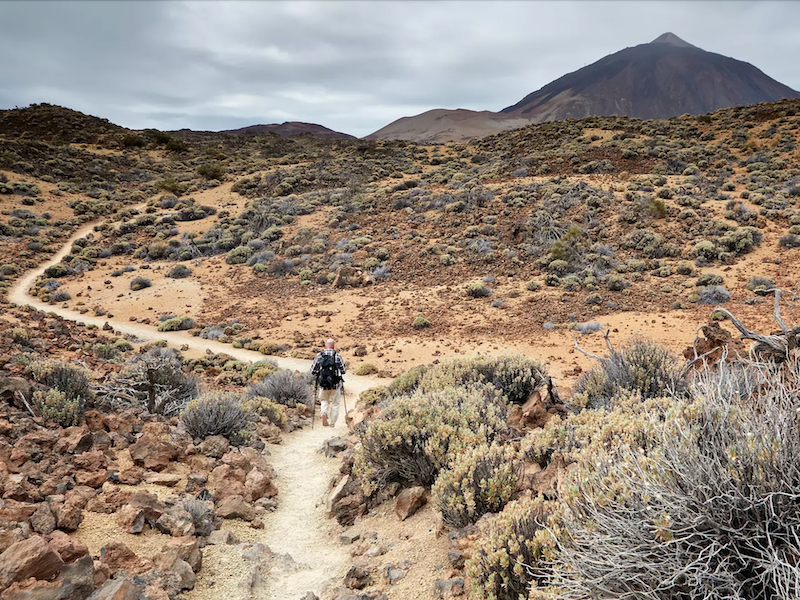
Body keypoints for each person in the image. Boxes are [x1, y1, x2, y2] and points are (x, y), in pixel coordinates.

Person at [310, 338, 346, 427]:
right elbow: (343, 370)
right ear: (334, 346)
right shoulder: (337, 356)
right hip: (335, 384)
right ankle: (332, 423)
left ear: (326, 345)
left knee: (324, 400)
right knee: (335, 404)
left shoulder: (319, 355)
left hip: (323, 384)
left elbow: (313, 370)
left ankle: (324, 413)